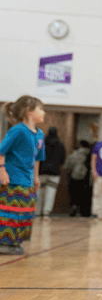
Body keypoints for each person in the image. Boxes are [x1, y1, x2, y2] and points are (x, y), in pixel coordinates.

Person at [0, 96, 46, 255]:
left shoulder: (40, 134)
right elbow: (1, 151)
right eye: (40, 109)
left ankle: (15, 242)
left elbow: (38, 158)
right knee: (10, 211)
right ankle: (4, 242)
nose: (43, 112)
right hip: (12, 179)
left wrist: (36, 177)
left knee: (25, 213)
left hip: (28, 181)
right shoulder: (18, 130)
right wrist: (2, 170)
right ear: (29, 110)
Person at [36, 127, 65, 219]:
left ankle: (37, 211)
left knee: (39, 192)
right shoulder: (60, 145)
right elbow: (62, 159)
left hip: (41, 171)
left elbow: (37, 157)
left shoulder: (42, 144)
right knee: (51, 193)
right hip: (55, 172)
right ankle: (46, 212)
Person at [65, 141, 92, 217]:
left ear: (80, 145)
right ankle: (85, 212)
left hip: (75, 175)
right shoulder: (92, 154)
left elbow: (68, 164)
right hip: (87, 177)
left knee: (74, 193)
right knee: (85, 194)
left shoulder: (75, 154)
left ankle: (74, 206)